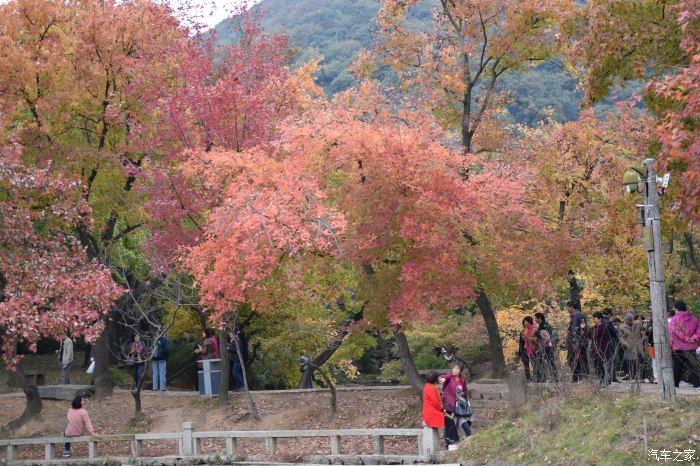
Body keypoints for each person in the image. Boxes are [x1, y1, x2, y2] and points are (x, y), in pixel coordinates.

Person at [668, 301, 700, 388]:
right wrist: (693, 338)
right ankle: (697, 385)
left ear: (676, 309)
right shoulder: (694, 318)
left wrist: (685, 338)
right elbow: (698, 330)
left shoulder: (675, 319)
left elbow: (674, 331)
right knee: (693, 366)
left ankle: (675, 385)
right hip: (692, 345)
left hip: (679, 346)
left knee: (677, 366)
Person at [439, 363, 468, 447]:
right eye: (454, 368)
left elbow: (465, 391)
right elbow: (445, 377)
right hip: (447, 404)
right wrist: (443, 379)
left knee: (453, 423)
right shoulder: (450, 376)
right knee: (449, 423)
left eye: (457, 369)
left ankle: (451, 441)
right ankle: (449, 442)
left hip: (457, 405)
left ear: (460, 371)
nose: (455, 370)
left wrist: (462, 393)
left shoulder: (462, 380)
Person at [582, 312, 614, 385]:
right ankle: (602, 380)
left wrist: (584, 329)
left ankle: (605, 380)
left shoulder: (602, 327)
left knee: (601, 365)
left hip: (602, 350)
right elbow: (590, 336)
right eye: (593, 318)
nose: (593, 320)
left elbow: (594, 335)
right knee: (597, 366)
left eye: (595, 318)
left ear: (600, 319)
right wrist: (584, 329)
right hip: (596, 350)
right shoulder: (595, 327)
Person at [618, 312, 644, 385]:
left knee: (640, 360)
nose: (630, 322)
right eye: (628, 320)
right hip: (629, 346)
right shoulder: (621, 327)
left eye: (631, 320)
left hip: (638, 345)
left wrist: (643, 338)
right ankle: (632, 377)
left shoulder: (638, 324)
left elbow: (645, 329)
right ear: (625, 320)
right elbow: (620, 337)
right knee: (631, 362)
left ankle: (642, 377)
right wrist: (625, 343)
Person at [566, 300, 589, 382]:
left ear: (571, 307)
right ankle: (583, 377)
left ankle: (576, 378)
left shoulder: (575, 315)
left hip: (576, 343)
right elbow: (583, 328)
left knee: (572, 359)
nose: (567, 309)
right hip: (582, 341)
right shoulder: (582, 315)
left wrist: (574, 342)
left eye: (568, 307)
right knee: (582, 359)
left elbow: (575, 330)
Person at [534, 312, 559, 382]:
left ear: (539, 318)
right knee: (549, 362)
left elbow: (545, 337)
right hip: (547, 346)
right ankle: (553, 378)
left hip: (547, 346)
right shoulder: (544, 325)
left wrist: (537, 335)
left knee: (550, 362)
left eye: (536, 318)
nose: (535, 320)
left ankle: (553, 378)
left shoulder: (544, 326)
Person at [602, 308, 620, 383]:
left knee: (604, 360)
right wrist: (618, 340)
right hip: (610, 343)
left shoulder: (600, 321)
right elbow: (614, 333)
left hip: (602, 343)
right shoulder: (609, 322)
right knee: (611, 360)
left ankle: (605, 377)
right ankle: (612, 377)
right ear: (609, 314)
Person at [519, 317, 539, 382]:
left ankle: (538, 378)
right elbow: (523, 340)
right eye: (524, 322)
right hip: (527, 349)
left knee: (536, 364)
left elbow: (536, 340)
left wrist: (527, 337)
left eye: (525, 321)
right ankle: (530, 378)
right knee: (530, 365)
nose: (524, 323)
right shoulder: (526, 330)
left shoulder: (535, 329)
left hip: (534, 349)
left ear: (529, 321)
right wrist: (523, 337)